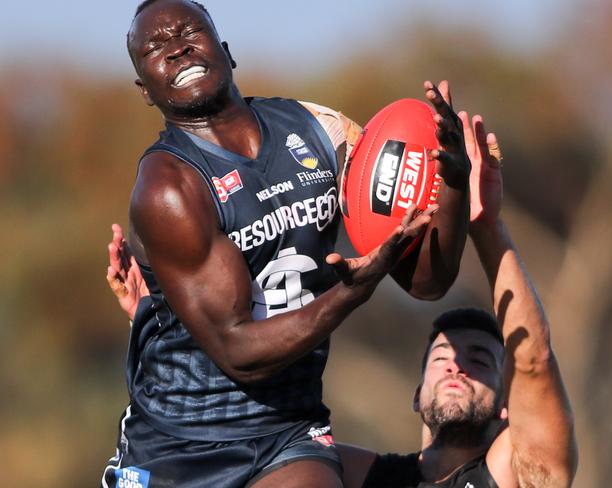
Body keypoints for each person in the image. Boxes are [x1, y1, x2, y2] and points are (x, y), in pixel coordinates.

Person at [103, 0, 473, 486]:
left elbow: (427, 282)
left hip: (287, 429)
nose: (176, 48)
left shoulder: (321, 131)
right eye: (155, 47)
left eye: (189, 31)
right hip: (179, 442)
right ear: (144, 89)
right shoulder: (168, 185)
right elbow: (239, 353)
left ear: (226, 51)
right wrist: (351, 293)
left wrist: (454, 183)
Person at [109, 110, 578, 487]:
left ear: (507, 404)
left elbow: (532, 358)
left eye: (479, 360)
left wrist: (485, 225)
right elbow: (242, 434)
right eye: (442, 358)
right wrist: (163, 322)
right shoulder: (362, 476)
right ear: (416, 396)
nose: (456, 365)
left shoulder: (519, 472)